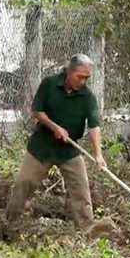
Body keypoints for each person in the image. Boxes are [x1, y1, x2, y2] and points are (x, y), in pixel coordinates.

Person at [6, 53, 105, 229]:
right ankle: (10, 222)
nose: (83, 82)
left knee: (81, 190)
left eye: (86, 78)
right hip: (42, 147)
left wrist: (98, 154)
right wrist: (54, 127)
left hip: (69, 150)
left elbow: (94, 126)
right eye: (80, 77)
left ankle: (87, 229)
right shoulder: (49, 84)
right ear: (69, 72)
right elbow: (37, 111)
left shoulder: (87, 97)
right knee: (23, 183)